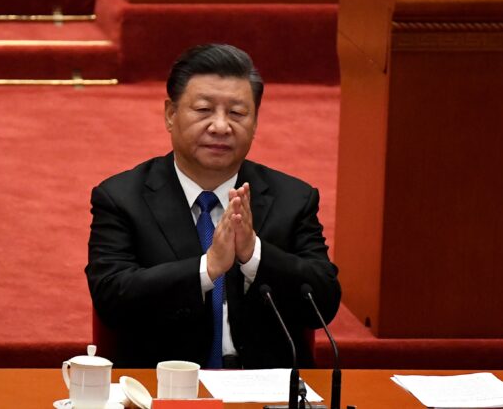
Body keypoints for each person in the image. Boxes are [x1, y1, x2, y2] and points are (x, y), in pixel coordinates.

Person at [85, 44, 341, 368]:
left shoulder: (293, 198)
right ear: (170, 114)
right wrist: (207, 269)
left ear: (255, 122)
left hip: (264, 392)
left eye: (237, 113)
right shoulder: (121, 198)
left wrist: (254, 255)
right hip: (166, 388)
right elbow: (111, 298)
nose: (220, 126)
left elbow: (324, 301)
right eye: (204, 110)